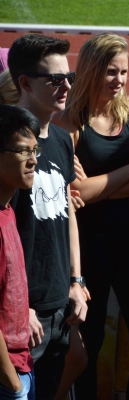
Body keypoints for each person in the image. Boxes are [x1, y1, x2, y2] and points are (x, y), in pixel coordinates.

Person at [53, 32, 129, 399]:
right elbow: (74, 193)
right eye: (111, 72)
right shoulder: (69, 121)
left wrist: (98, 187)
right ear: (91, 71)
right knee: (88, 343)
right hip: (91, 246)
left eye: (124, 72)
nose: (119, 80)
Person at [7, 33, 89, 400]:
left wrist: (76, 280)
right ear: (25, 83)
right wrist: (18, 307)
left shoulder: (61, 139)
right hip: (25, 310)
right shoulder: (9, 145)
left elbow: (68, 209)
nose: (67, 86)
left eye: (69, 77)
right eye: (56, 79)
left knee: (70, 366)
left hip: (59, 302)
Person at [0, 105, 40, 399]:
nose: (33, 161)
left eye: (35, 151)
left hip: (22, 367)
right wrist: (13, 386)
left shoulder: (9, 210)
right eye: (23, 152)